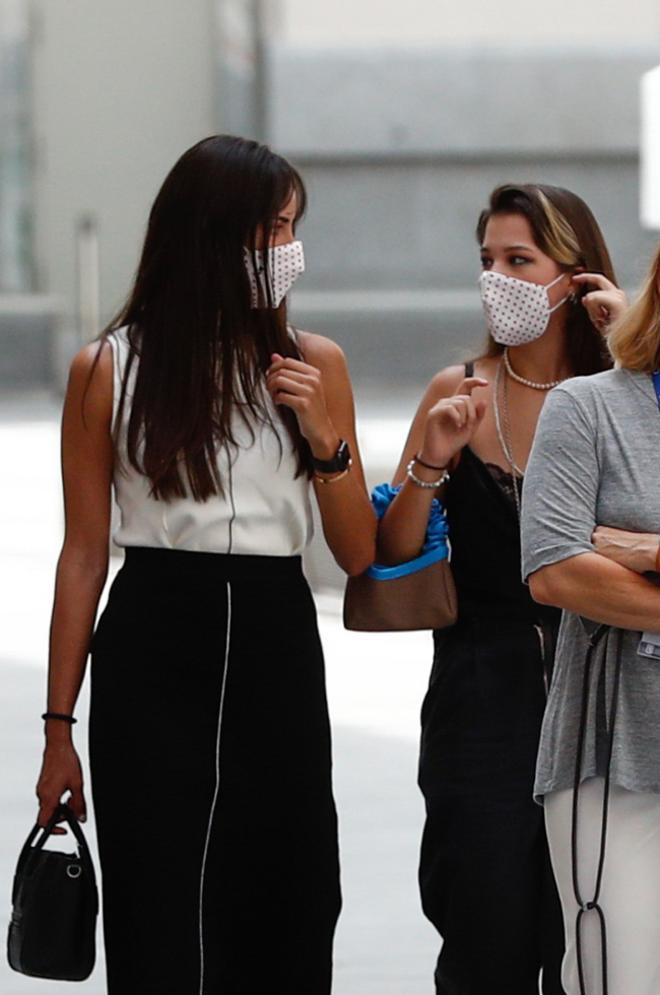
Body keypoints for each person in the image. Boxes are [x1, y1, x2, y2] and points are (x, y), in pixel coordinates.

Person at [34, 134, 376, 995]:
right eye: (266, 228)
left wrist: (326, 440)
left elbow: (357, 553)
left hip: (275, 631)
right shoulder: (108, 368)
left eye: (292, 226)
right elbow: (82, 555)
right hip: (153, 631)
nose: (283, 249)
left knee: (293, 888)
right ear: (208, 234)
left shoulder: (316, 362)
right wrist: (56, 729)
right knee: (158, 897)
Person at [377, 184, 620, 994]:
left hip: (608, 698)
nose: (499, 279)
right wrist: (431, 461)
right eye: (487, 261)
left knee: (605, 938)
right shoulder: (459, 389)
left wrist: (633, 349)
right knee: (484, 930)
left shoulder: (628, 394)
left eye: (520, 259)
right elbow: (393, 555)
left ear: (576, 277)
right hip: (480, 701)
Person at [522, 245, 660, 995]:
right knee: (615, 981)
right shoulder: (587, 407)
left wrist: (648, 550)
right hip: (614, 760)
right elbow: (555, 570)